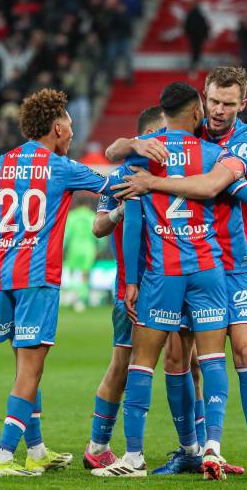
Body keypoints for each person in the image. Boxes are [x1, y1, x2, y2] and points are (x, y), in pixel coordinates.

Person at [113, 67, 247, 481]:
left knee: (243, 350)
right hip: (189, 260)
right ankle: (192, 450)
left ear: (243, 103)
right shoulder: (193, 131)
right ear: (202, 101)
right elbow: (119, 149)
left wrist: (151, 181)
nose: (220, 111)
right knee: (177, 358)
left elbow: (212, 187)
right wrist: (135, 144)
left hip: (235, 263)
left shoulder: (246, 140)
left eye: (229, 103)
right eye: (214, 102)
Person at [0, 88, 118, 477]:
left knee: (26, 367)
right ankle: (2, 457)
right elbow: (113, 186)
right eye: (69, 126)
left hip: (3, 277)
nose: (71, 133)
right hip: (36, 278)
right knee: (30, 371)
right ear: (54, 127)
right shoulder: (61, 167)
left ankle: (36, 451)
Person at [92, 82, 234, 480]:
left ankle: (133, 457)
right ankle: (211, 448)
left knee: (142, 363)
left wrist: (132, 281)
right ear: (195, 113)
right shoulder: (214, 154)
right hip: (208, 269)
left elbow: (132, 219)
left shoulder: (142, 156)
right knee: (209, 361)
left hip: (163, 272)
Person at [82, 106, 163, 470]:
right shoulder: (119, 176)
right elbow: (98, 227)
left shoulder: (176, 173)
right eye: (162, 133)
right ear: (143, 138)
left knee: (188, 362)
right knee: (123, 364)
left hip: (173, 281)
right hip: (130, 289)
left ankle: (194, 449)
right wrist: (118, 211)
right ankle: (98, 446)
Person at [64, 196, 99, 312]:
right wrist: (100, 248)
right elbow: (99, 235)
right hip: (89, 249)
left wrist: (63, 248)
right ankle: (82, 299)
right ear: (88, 205)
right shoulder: (92, 215)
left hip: (74, 248)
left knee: (73, 272)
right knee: (85, 275)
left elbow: (66, 235)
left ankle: (73, 294)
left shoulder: (72, 216)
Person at [184, 3, 210, 76]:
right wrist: (205, 36)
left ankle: (194, 65)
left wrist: (188, 34)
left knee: (194, 51)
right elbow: (205, 26)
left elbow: (186, 26)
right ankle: (195, 65)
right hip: (199, 37)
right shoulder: (201, 16)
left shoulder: (190, 15)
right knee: (197, 51)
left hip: (193, 37)